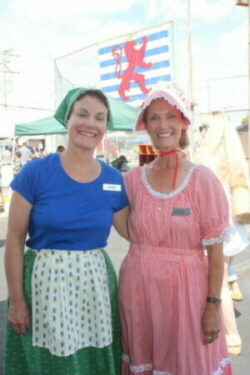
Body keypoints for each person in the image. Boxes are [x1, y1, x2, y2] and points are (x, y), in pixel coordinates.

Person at [4, 87, 129, 375]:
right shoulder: (35, 172)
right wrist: (16, 301)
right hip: (46, 283)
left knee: (94, 359)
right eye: (82, 114)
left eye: (99, 117)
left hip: (96, 285)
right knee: (51, 363)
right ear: (67, 119)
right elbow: (13, 241)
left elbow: (134, 232)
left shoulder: (113, 179)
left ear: (105, 127)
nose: (90, 123)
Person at [118, 83, 233, 375]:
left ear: (183, 122)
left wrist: (212, 306)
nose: (162, 125)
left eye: (170, 116)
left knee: (188, 363)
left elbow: (216, 255)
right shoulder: (132, 180)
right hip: (139, 291)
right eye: (154, 117)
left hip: (187, 294)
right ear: (145, 125)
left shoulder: (202, 179)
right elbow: (125, 229)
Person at [195, 111, 250, 355]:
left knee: (217, 285)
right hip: (233, 225)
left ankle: (231, 334)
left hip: (214, 227)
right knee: (225, 274)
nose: (202, 131)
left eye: (205, 127)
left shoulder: (204, 162)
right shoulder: (236, 158)